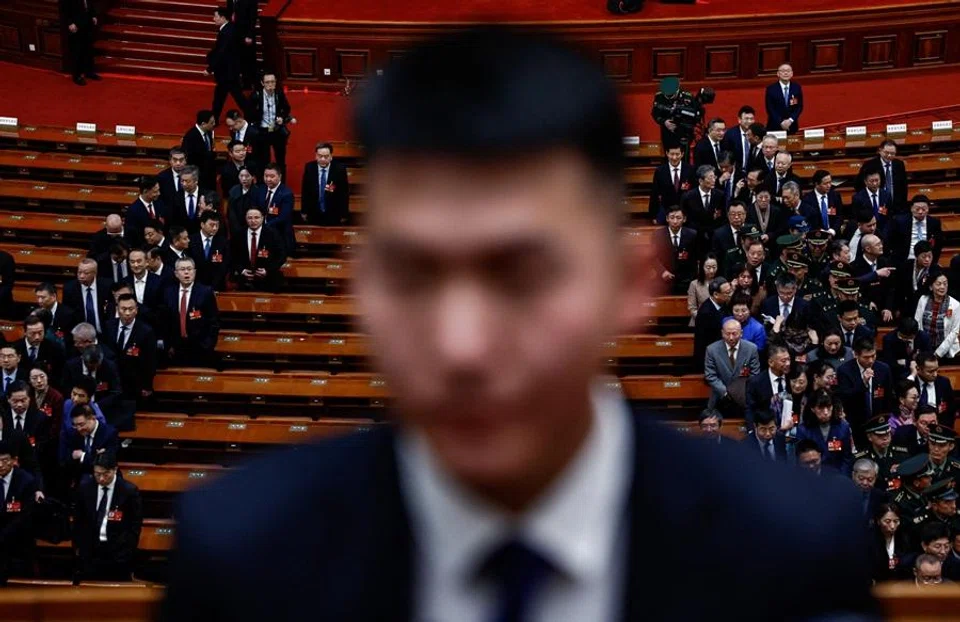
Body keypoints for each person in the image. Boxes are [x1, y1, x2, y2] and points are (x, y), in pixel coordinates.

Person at [162, 28, 878, 621]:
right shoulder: (239, 558)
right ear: (364, 283)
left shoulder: (794, 553)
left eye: (523, 275)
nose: (463, 345)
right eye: (415, 275)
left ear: (630, 281)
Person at [72, 452, 142, 582]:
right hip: (90, 552)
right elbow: (79, 520)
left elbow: (135, 525)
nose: (102, 479)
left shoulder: (129, 491)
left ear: (115, 469)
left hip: (118, 553)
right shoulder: (85, 488)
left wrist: (127, 551)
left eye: (105, 474)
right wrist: (79, 547)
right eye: (97, 474)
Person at [163, 257, 220, 367]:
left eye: (189, 269)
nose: (186, 272)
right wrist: (168, 345)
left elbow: (214, 321)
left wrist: (208, 344)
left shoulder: (205, 292)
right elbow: (165, 321)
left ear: (195, 272)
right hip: (176, 347)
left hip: (200, 346)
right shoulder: (168, 292)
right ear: (176, 273)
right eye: (182, 269)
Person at [102, 293, 156, 408]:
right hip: (112, 383)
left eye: (131, 309)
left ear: (136, 310)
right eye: (123, 309)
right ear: (117, 309)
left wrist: (147, 386)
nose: (127, 313)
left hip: (135, 384)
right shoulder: (108, 326)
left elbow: (150, 361)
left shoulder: (146, 331)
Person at [836, 338, 894, 443]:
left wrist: (885, 418)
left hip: (878, 421)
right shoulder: (844, 371)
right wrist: (863, 382)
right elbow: (846, 398)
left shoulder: (884, 369)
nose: (871, 360)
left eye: (873, 355)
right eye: (866, 357)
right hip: (855, 423)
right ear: (856, 355)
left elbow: (888, 397)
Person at [0, 440, 37, 585]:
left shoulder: (26, 481)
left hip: (18, 543)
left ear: (14, 460)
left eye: (4, 460)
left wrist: (3, 536)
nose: (0, 465)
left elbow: (25, 515)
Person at [704, 318, 760, 409]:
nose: (731, 338)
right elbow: (710, 375)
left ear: (741, 333)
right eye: (727, 334)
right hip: (720, 398)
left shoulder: (751, 349)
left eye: (734, 334)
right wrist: (725, 393)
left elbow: (754, 374)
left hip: (744, 398)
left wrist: (741, 392)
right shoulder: (711, 350)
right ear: (722, 333)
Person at [796, 388, 854, 476]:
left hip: (838, 477)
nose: (826, 412)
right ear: (812, 408)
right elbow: (801, 460)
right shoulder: (803, 430)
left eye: (829, 407)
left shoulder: (843, 427)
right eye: (821, 408)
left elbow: (847, 458)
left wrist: (843, 480)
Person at [246, 72, 296, 172]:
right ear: (262, 83)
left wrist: (281, 117)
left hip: (277, 129)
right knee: (264, 159)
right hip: (262, 131)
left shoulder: (279, 93)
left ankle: (281, 180)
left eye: (273, 82)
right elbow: (249, 114)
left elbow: (286, 108)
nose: (270, 85)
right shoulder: (256, 95)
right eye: (267, 82)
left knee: (280, 159)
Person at [59, 403, 119, 485]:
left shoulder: (109, 433)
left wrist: (82, 456)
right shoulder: (73, 433)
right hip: (79, 480)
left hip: (104, 479)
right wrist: (94, 456)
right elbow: (64, 459)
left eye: (81, 424)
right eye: (75, 425)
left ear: (93, 418)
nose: (79, 429)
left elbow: (106, 463)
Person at [232, 206, 286, 292]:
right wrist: (241, 270)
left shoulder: (273, 234)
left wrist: (268, 270)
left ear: (262, 218)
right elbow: (232, 255)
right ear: (245, 218)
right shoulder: (238, 234)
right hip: (244, 281)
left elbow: (281, 256)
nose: (253, 221)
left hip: (269, 280)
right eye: (250, 218)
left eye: (256, 217)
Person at [61, 344, 123, 419]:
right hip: (75, 407)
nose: (94, 368)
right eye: (90, 365)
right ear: (82, 358)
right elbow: (65, 388)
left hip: (101, 408)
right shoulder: (71, 366)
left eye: (96, 365)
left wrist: (96, 406)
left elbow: (116, 392)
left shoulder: (109, 367)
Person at [206, 7, 246, 121]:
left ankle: (253, 115)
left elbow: (221, 52)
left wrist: (210, 69)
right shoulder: (229, 29)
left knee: (235, 96)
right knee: (222, 96)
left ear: (223, 18)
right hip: (229, 71)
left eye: (215, 16)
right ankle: (214, 118)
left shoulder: (226, 32)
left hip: (227, 71)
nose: (213, 19)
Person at [302, 142, 351, 226]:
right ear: (316, 155)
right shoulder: (309, 167)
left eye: (326, 156)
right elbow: (305, 191)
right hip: (313, 213)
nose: (323, 159)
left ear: (331, 156)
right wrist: (304, 211)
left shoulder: (339, 169)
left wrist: (344, 214)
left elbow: (344, 193)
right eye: (320, 156)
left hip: (334, 213)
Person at [855, 415, 908, 492]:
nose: (885, 438)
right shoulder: (861, 459)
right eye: (880, 435)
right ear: (869, 437)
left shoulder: (901, 454)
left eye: (887, 434)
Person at [655, 205, 699, 296]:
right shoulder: (657, 235)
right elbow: (653, 257)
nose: (675, 221)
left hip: (685, 280)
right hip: (664, 277)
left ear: (684, 219)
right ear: (667, 219)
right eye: (672, 218)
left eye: (678, 218)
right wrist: (662, 271)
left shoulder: (692, 235)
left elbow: (695, 258)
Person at [855, 139, 908, 212]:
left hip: (896, 207)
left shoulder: (899, 164)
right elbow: (859, 185)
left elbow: (903, 187)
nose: (889, 156)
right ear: (880, 151)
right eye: (886, 153)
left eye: (892, 153)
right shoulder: (869, 164)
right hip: (876, 205)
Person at [745, 344, 791, 428]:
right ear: (771, 362)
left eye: (789, 359)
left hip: (791, 427)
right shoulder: (755, 382)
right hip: (766, 429)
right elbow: (750, 410)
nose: (788, 363)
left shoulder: (792, 378)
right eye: (783, 361)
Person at [915, 273, 960, 360]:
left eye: (945, 283)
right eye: (938, 284)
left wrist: (938, 354)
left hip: (946, 349)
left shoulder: (955, 305)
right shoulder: (923, 299)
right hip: (925, 347)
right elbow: (918, 323)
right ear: (931, 287)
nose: (942, 287)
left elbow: (954, 332)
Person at [254, 163, 296, 254]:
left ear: (280, 176)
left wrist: (264, 226)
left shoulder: (286, 194)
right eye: (266, 176)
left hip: (280, 234)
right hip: (262, 234)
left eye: (272, 176)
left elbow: (283, 218)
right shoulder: (260, 190)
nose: (268, 179)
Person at [887, 195, 941, 265]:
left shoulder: (934, 223)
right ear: (911, 208)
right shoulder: (899, 221)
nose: (920, 212)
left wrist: (933, 263)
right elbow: (890, 242)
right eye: (917, 209)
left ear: (928, 209)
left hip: (926, 261)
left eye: (924, 209)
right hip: (904, 261)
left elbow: (938, 246)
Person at [693, 277, 732, 371]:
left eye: (730, 291)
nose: (730, 295)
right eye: (727, 293)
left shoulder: (723, 304)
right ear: (716, 294)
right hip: (711, 359)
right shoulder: (705, 313)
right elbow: (703, 343)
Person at [62, 258, 110, 334]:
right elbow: (67, 313)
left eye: (86, 273)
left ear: (95, 273)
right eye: (79, 272)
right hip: (81, 334)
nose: (81, 276)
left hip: (104, 332)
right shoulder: (69, 288)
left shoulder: (107, 286)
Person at [15, 313, 65, 386]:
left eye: (40, 333)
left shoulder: (54, 349)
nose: (37, 337)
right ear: (25, 332)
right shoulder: (15, 348)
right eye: (33, 333)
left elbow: (58, 375)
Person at [908, 351, 956, 428]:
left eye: (936, 370)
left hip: (938, 429)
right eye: (930, 371)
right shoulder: (910, 381)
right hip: (913, 429)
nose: (935, 374)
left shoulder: (944, 382)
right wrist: (913, 374)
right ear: (918, 369)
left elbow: (951, 410)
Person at [648, 144, 692, 223]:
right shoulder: (660, 171)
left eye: (677, 154)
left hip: (686, 212)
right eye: (672, 154)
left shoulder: (690, 169)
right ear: (667, 153)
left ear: (682, 154)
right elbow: (654, 193)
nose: (674, 157)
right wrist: (653, 215)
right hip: (666, 210)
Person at [190, 211, 231, 292]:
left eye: (217, 225)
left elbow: (225, 265)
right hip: (195, 286)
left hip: (217, 287)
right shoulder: (191, 240)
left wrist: (214, 286)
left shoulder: (223, 242)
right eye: (212, 225)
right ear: (202, 224)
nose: (215, 228)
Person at [62, 0, 99, 86]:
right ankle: (77, 76)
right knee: (77, 51)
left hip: (87, 23)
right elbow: (64, 9)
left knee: (88, 49)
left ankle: (89, 72)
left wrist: (93, 15)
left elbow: (89, 3)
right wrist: (70, 23)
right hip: (76, 24)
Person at [871, 503, 909, 582]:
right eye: (887, 521)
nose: (892, 526)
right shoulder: (870, 541)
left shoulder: (905, 539)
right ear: (878, 521)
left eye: (896, 521)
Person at [181, 112, 218, 194]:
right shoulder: (191, 136)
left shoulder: (209, 132)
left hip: (209, 172)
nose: (214, 124)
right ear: (203, 124)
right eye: (212, 123)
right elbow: (190, 158)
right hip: (199, 175)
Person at [801, 170, 844, 234]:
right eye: (825, 183)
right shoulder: (807, 200)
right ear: (817, 184)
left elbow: (839, 216)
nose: (829, 185)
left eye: (830, 182)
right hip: (816, 235)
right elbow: (808, 221)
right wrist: (821, 232)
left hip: (834, 234)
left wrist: (833, 230)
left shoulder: (835, 196)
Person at [765, 63, 803, 134]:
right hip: (775, 126)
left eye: (788, 71)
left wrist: (790, 120)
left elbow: (799, 107)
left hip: (792, 126)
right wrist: (781, 122)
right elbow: (770, 108)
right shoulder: (771, 89)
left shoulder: (797, 88)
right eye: (783, 71)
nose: (786, 73)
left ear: (792, 74)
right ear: (778, 74)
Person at [721, 105, 756, 174]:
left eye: (751, 119)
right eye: (746, 119)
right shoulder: (730, 135)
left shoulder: (757, 133)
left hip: (753, 172)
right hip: (735, 172)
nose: (749, 121)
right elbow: (726, 155)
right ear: (739, 120)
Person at [686, 253, 717, 327]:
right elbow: (692, 308)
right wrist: (704, 319)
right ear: (702, 267)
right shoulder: (694, 284)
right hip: (699, 322)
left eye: (714, 267)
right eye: (708, 267)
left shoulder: (721, 282)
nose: (712, 271)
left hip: (718, 322)